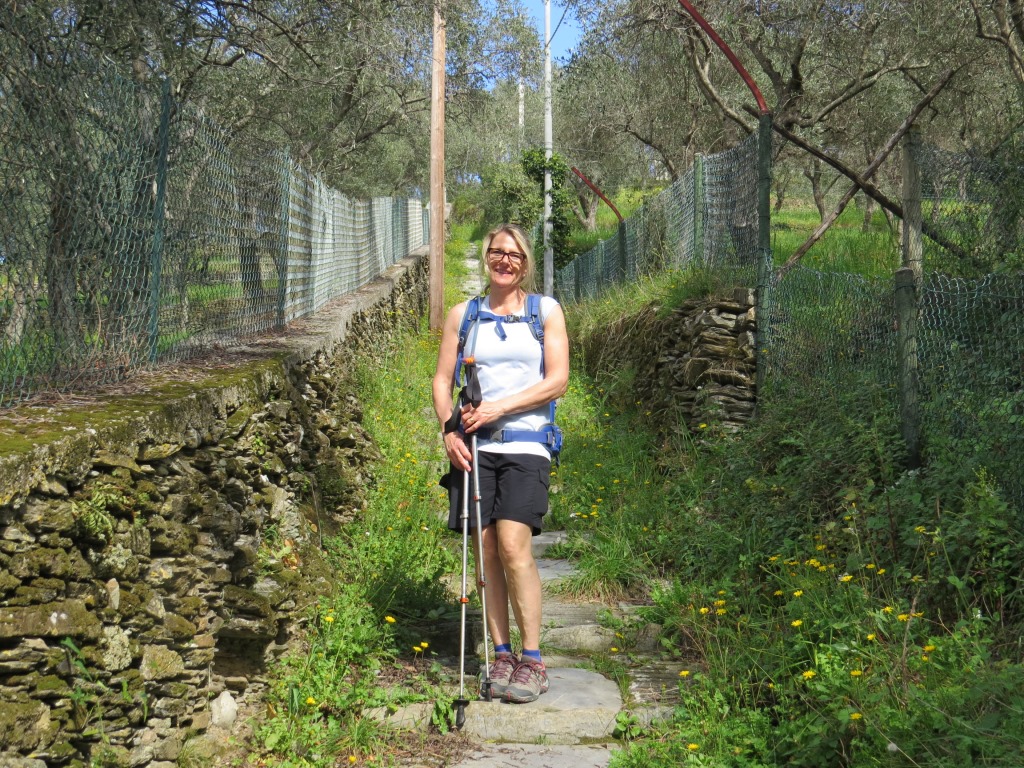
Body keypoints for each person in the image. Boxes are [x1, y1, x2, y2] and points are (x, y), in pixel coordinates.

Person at [432, 223, 569, 704]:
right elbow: (442, 380)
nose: (504, 260)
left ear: (525, 262)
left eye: (514, 254)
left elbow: (558, 380)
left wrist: (498, 408)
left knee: (513, 545)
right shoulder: (464, 315)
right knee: (486, 550)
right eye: (496, 252)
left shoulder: (544, 312)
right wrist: (449, 431)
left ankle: (533, 659)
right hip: (476, 447)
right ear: (487, 256)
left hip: (527, 444)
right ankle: (502, 655)